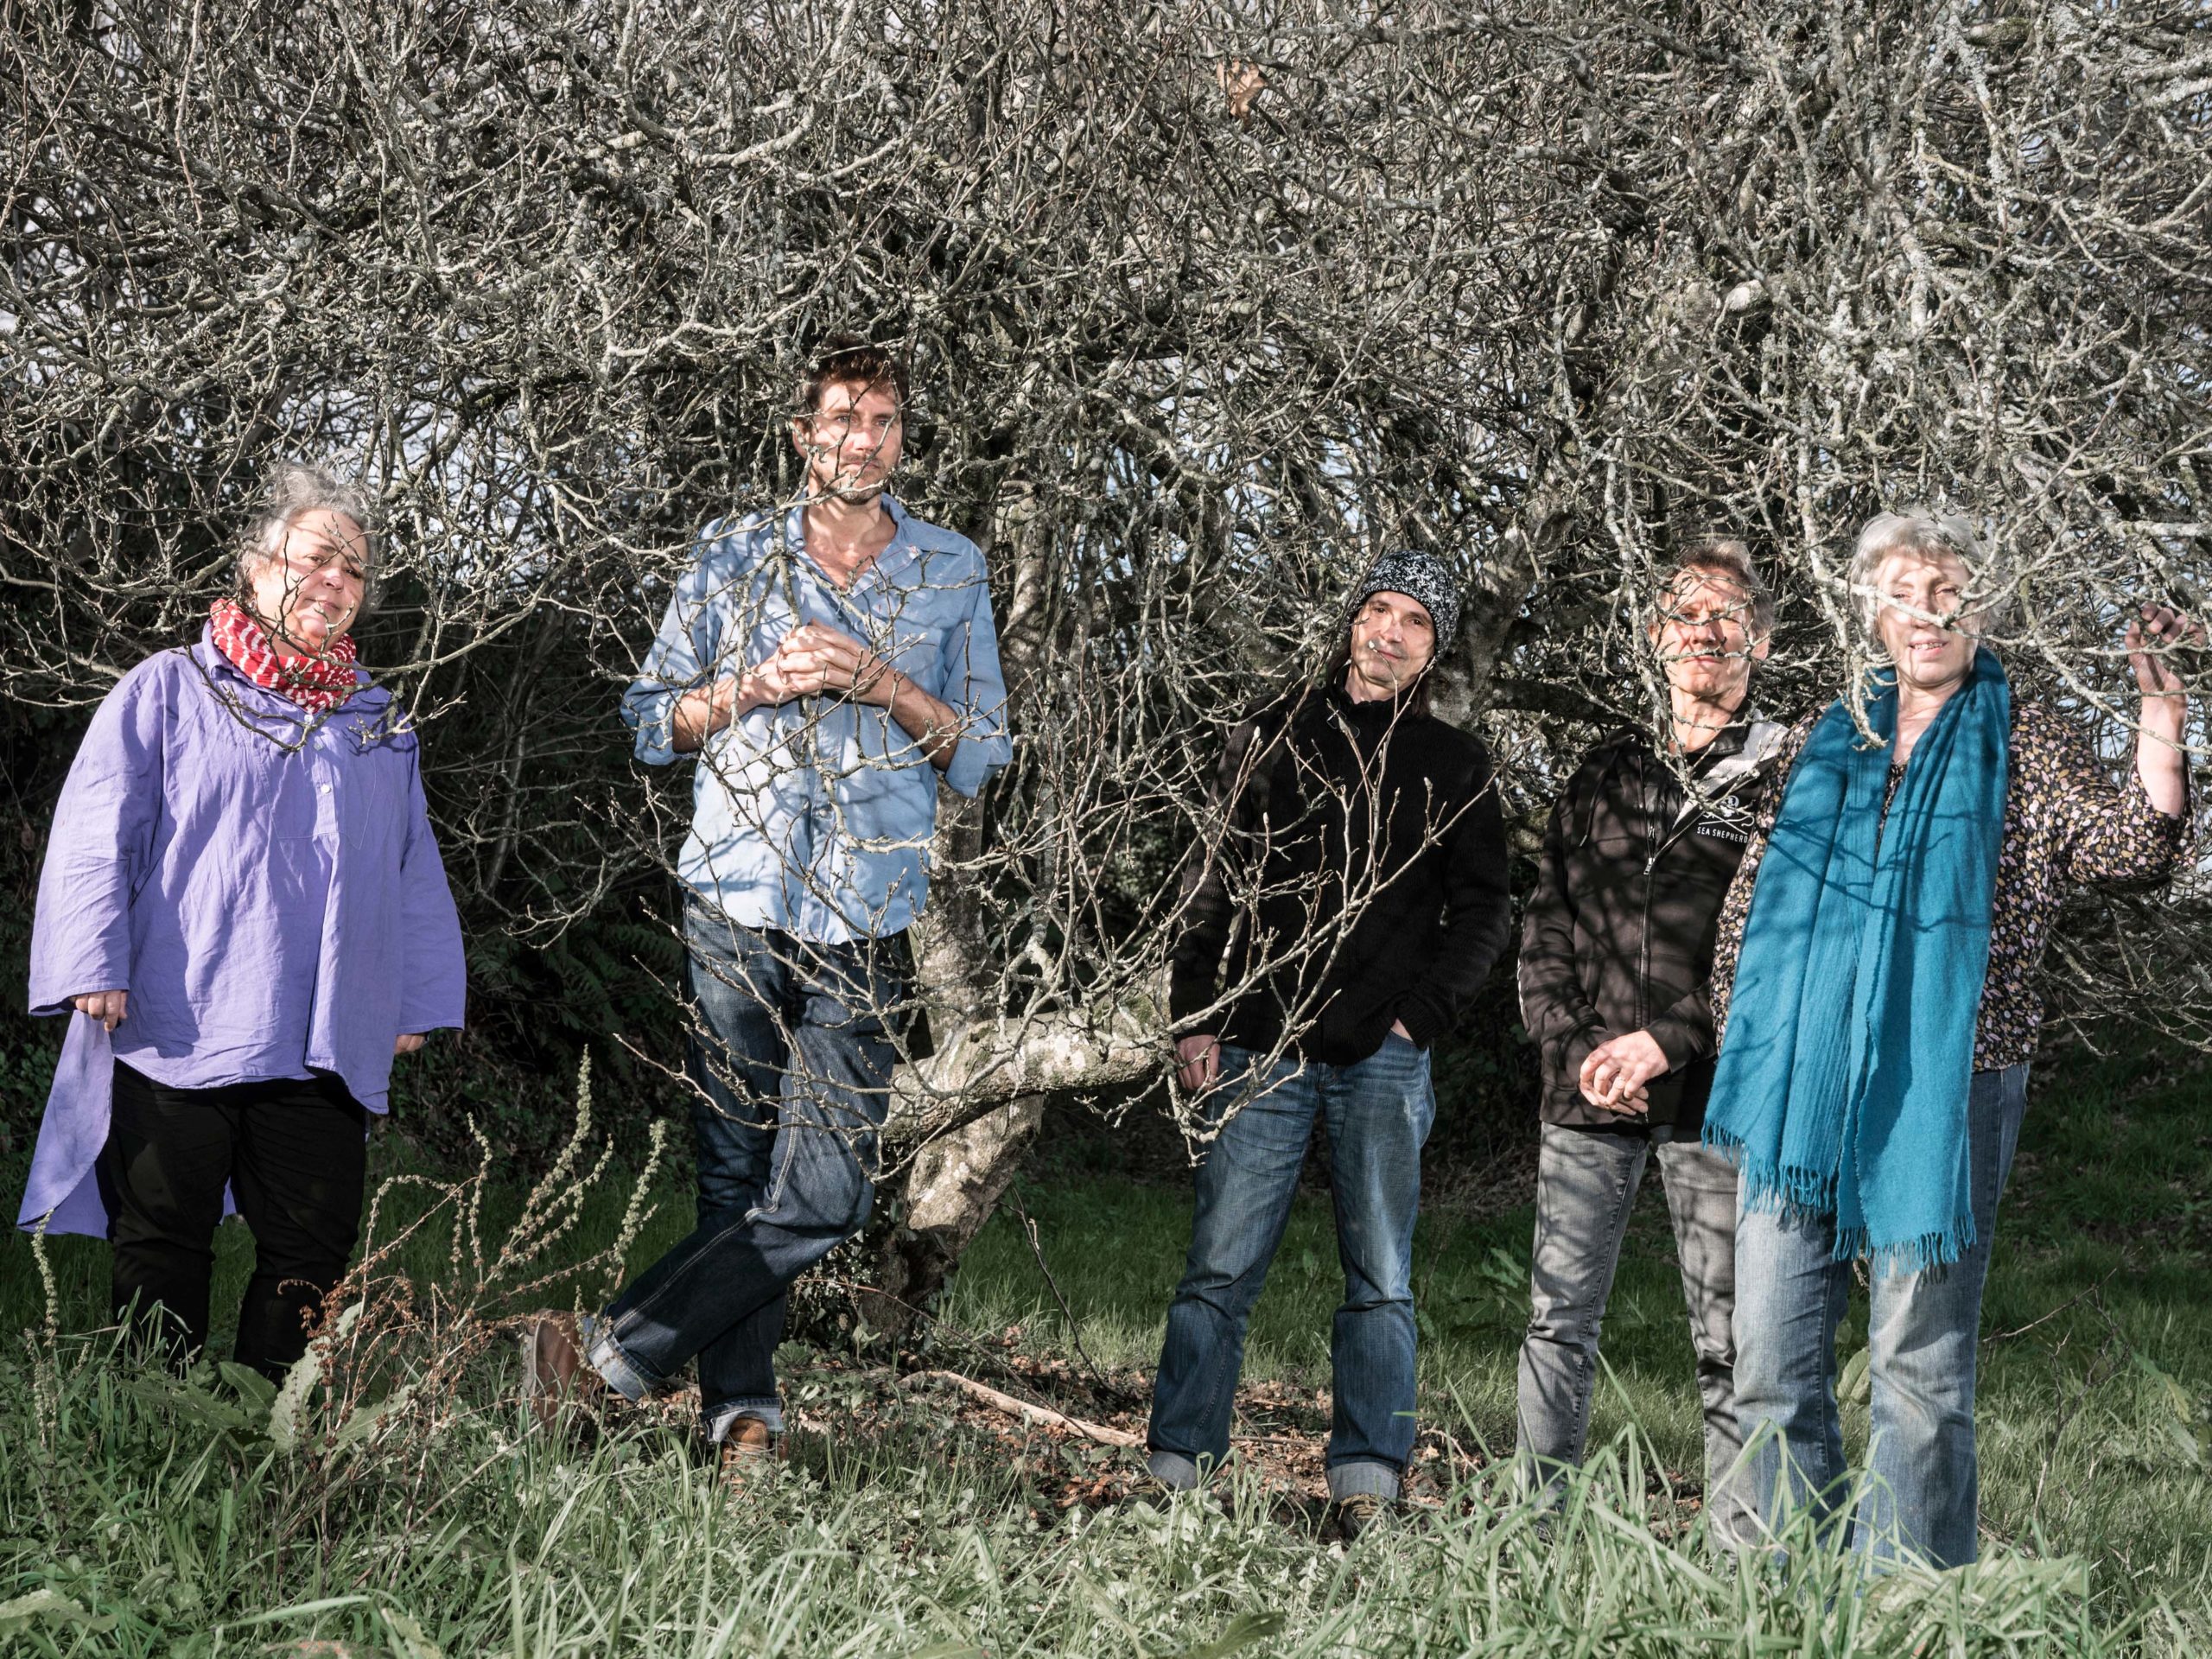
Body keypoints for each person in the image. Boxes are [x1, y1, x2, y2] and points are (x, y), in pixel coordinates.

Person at [526, 337, 1012, 1467]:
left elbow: (981, 755)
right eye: (841, 417)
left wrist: (882, 683)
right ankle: (742, 1418)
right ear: (803, 435)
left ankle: (608, 1356)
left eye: (883, 420)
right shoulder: (730, 554)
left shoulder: (951, 568)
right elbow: (650, 722)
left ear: (901, 438)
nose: (862, 439)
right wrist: (749, 685)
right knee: (734, 1170)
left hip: (868, 911)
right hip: (735, 897)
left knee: (827, 1196)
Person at [1706, 510, 2194, 1569]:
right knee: (1769, 1359)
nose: (1923, 614)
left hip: (1949, 1081)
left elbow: (2129, 849)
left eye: (1945, 592)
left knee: (1916, 1369)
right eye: (1902, 592)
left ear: (1978, 605)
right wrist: (1748, 1040)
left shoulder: (2023, 731)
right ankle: (1780, 1599)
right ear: (1871, 612)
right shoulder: (1831, 731)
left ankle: (1907, 1607)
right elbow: (1752, 910)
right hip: (1800, 1083)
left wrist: (2161, 704)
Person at [17, 462, 467, 1380]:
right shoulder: (171, 689)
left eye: (353, 569)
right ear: (257, 569)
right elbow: (97, 832)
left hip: (321, 1033)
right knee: (162, 1235)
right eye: (315, 559)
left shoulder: (377, 723)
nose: (333, 581)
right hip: (178, 1018)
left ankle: (267, 1425)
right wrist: (92, 959)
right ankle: (153, 1415)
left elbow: (410, 862)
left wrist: (414, 996)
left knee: (311, 1249)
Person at [1148, 550, 1513, 1539]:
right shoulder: (1273, 736)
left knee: (1381, 1278)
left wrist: (1418, 1017)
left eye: (1414, 624)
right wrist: (1195, 1010)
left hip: (1381, 1059)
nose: (1389, 633)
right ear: (1352, 623)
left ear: (1432, 650)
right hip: (1259, 1044)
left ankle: (1366, 1483)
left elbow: (1485, 911)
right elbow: (1211, 875)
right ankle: (1178, 1469)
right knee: (1219, 1268)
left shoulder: (1453, 765)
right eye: (1378, 612)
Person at [1515, 539, 1785, 1542]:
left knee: (1728, 1337)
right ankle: (1533, 1535)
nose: (1703, 633)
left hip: (1715, 1092)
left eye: (1725, 617)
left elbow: (1775, 949)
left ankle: (1738, 1557)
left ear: (1758, 639)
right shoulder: (1604, 772)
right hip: (1585, 1088)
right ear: (1653, 637)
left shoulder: (1780, 775)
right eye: (1685, 615)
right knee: (1556, 1323)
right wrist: (1577, 1047)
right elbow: (1545, 921)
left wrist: (1663, 1044)